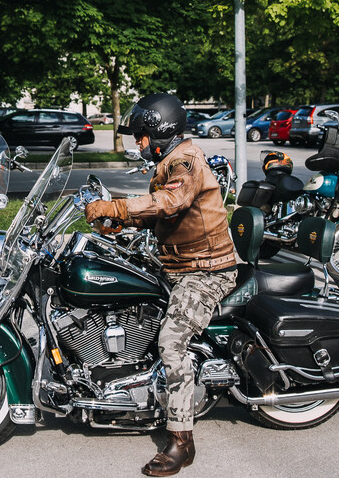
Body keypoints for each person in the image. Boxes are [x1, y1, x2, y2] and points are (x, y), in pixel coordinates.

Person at [84, 93, 238, 477]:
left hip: (206, 270)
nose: (138, 143)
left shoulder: (185, 161)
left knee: (171, 341)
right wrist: (121, 223)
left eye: (141, 135)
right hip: (180, 264)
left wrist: (117, 208)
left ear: (160, 131)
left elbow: (168, 204)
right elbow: (161, 214)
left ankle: (182, 440)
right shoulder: (170, 160)